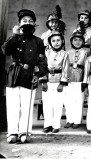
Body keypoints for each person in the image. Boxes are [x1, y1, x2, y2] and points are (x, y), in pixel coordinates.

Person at [2, 9, 48, 143]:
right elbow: (5, 51)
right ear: (19, 23)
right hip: (14, 74)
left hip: (29, 75)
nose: (27, 23)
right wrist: (14, 35)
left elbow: (42, 61)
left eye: (30, 21)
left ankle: (25, 132)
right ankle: (12, 133)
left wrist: (39, 74)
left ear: (34, 24)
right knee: (13, 105)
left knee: (27, 105)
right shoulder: (14, 39)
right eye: (24, 21)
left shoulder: (38, 41)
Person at [40, 31, 69, 134]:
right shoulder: (45, 53)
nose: (56, 43)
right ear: (50, 42)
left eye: (58, 40)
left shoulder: (65, 54)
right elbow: (42, 67)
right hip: (47, 81)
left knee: (57, 104)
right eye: (53, 41)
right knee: (47, 103)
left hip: (58, 81)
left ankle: (56, 125)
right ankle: (47, 124)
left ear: (62, 41)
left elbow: (65, 69)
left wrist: (62, 83)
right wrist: (43, 81)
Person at [63, 30, 89, 129]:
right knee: (68, 100)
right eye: (75, 40)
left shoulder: (85, 52)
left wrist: (85, 81)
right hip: (69, 78)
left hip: (80, 78)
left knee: (78, 100)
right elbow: (65, 66)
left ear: (83, 42)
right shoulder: (67, 52)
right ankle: (69, 119)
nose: (77, 42)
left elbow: (87, 67)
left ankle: (77, 120)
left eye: (80, 40)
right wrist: (64, 79)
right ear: (71, 41)